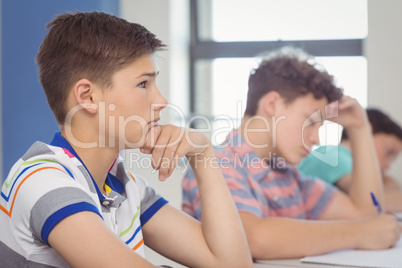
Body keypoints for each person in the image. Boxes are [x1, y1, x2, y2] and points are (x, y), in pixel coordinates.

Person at [0, 11, 252, 268]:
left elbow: (232, 264)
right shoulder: (43, 180)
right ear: (87, 97)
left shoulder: (125, 186)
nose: (162, 101)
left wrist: (202, 153)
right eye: (144, 84)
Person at [182, 47, 402, 260]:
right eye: (311, 121)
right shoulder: (217, 163)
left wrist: (360, 128)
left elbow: (367, 213)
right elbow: (250, 236)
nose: (316, 138)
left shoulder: (291, 178)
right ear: (272, 104)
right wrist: (358, 233)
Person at [299, 108, 402, 212]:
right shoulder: (336, 156)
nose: (387, 166)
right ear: (368, 131)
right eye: (389, 152)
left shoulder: (335, 154)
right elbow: (372, 203)